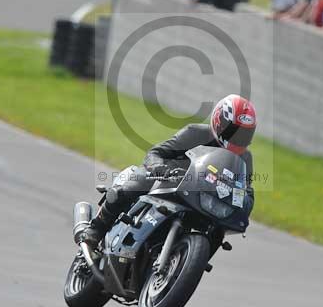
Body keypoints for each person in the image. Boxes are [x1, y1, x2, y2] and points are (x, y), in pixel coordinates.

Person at [77, 95, 257, 247]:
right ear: (220, 121)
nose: (239, 138)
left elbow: (245, 189)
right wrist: (160, 168)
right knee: (135, 182)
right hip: (168, 183)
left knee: (217, 233)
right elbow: (155, 153)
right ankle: (96, 228)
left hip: (202, 201)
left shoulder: (244, 159)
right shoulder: (196, 133)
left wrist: (245, 203)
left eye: (245, 134)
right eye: (234, 131)